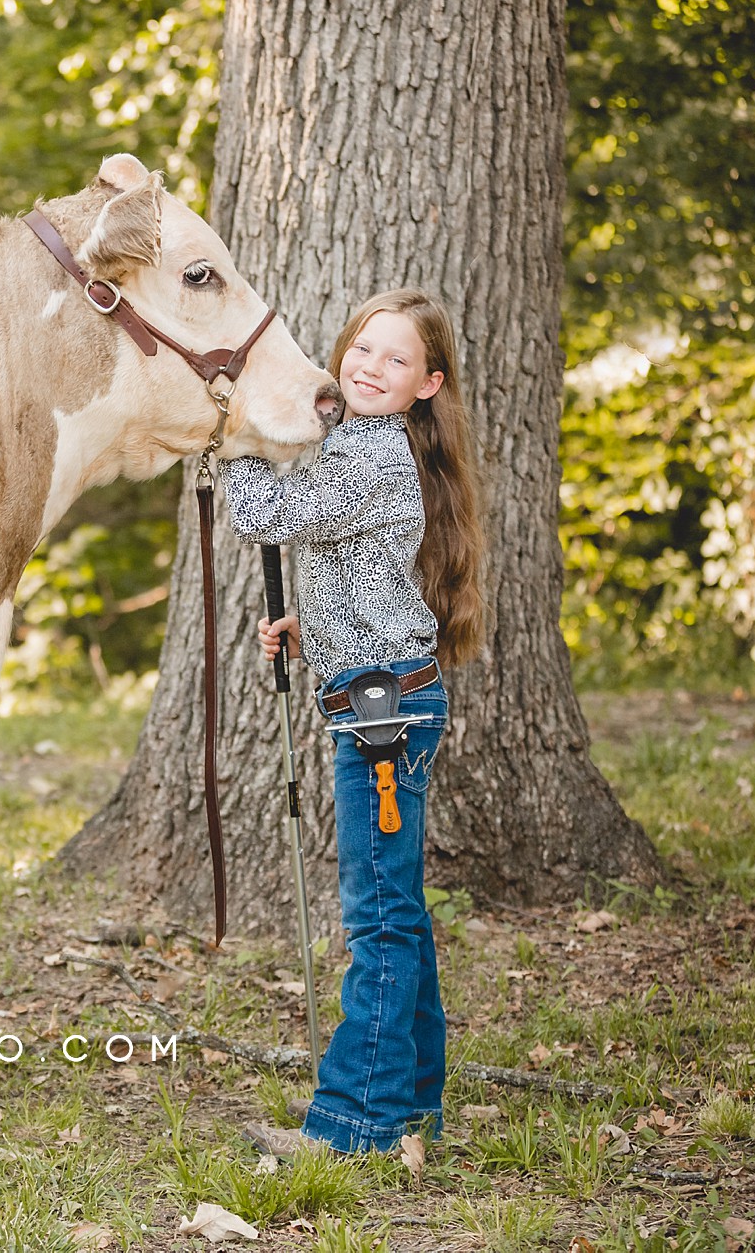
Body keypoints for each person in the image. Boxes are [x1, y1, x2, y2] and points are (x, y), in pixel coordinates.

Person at [218, 287, 484, 1158]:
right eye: (363, 350)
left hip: (383, 718)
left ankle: (354, 1126)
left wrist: (236, 435)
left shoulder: (371, 455)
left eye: (397, 360)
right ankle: (410, 1107)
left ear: (428, 384)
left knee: (377, 923)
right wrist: (316, 626)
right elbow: (356, 560)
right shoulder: (367, 443)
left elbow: (268, 513)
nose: (372, 368)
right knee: (397, 915)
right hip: (383, 695)